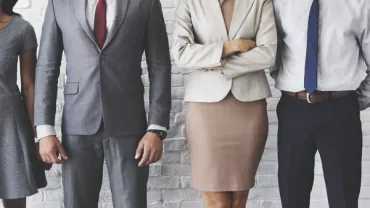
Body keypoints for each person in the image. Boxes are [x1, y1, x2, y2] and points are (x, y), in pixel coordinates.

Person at [34, 0, 171, 207]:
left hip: (130, 126)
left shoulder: (146, 3)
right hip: (77, 123)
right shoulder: (59, 4)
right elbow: (46, 67)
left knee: (131, 203)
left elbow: (160, 66)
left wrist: (157, 128)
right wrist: (44, 130)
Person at [172, 0, 277, 207]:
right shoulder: (189, 2)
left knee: (238, 200)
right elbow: (181, 54)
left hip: (248, 108)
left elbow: (268, 54)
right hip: (205, 111)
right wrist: (230, 47)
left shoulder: (260, 1)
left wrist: (213, 64)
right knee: (216, 201)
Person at [272, 0, 370, 207]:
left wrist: (351, 102)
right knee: (292, 195)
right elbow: (271, 52)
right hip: (294, 109)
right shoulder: (280, 3)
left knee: (344, 197)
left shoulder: (359, 4)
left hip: (340, 110)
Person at [0, 0, 47, 207]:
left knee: (14, 196)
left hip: (9, 125)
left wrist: (39, 134)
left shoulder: (22, 29)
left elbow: (29, 85)